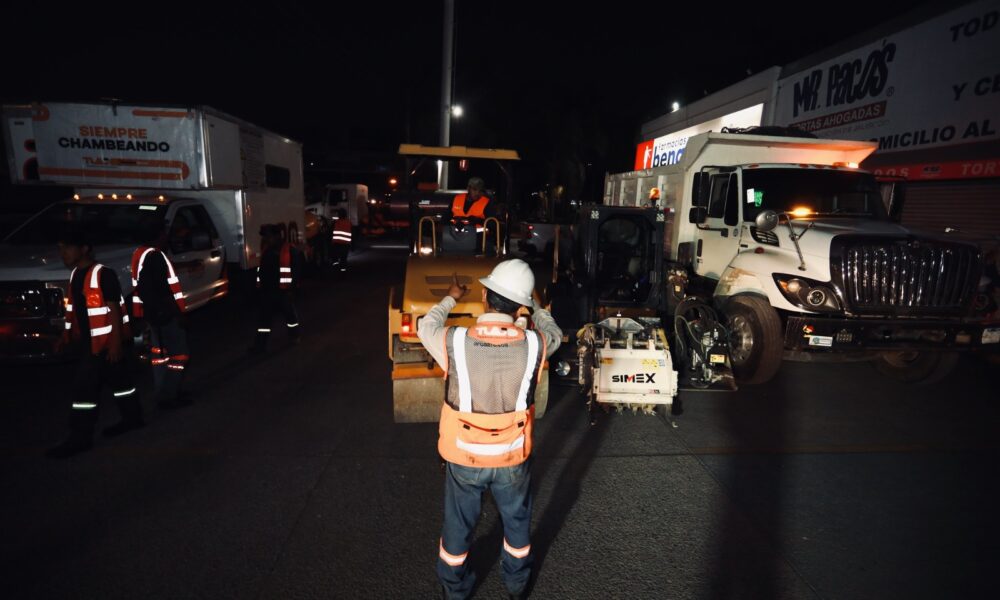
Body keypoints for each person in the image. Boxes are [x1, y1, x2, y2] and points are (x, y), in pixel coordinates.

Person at [417, 259, 562, 600]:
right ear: (521, 306)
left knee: (458, 526)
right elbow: (554, 332)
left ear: (485, 296)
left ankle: (455, 589)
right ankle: (516, 586)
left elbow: (426, 325)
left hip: (463, 456)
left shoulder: (454, 341)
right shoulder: (536, 344)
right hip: (512, 457)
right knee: (517, 524)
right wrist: (536, 308)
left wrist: (451, 297)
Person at [46, 229, 142, 459]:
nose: (63, 253)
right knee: (121, 382)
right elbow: (74, 310)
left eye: (67, 248)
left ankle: (80, 438)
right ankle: (133, 418)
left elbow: (113, 310)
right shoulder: (76, 275)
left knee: (84, 390)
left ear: (84, 249)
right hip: (92, 343)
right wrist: (66, 335)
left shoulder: (103, 274)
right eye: (60, 248)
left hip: (102, 345)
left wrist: (115, 344)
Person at [131, 224, 191, 409]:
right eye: (164, 232)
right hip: (165, 316)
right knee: (179, 355)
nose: (167, 235)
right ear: (157, 235)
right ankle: (169, 395)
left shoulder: (140, 253)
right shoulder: (155, 256)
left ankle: (164, 392)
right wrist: (177, 314)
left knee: (160, 358)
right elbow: (163, 291)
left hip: (152, 315)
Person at [251, 224, 301, 352]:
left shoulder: (289, 250)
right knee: (264, 320)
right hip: (268, 291)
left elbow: (296, 272)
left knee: (290, 317)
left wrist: (291, 289)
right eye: (265, 237)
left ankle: (294, 336)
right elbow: (262, 271)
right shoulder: (266, 250)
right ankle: (260, 345)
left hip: (283, 291)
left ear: (277, 236)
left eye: (268, 236)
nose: (266, 239)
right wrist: (260, 289)